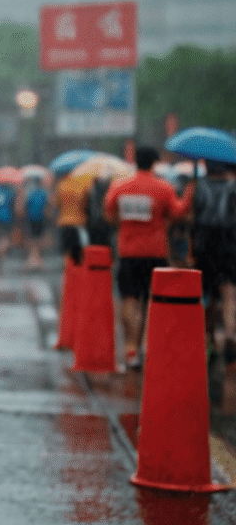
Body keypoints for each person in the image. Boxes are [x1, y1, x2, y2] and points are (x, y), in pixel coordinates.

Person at [104, 146, 194, 370]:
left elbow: (109, 214)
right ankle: (140, 347)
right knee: (146, 301)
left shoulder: (119, 186)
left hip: (128, 252)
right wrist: (190, 193)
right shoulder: (163, 188)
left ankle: (131, 349)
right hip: (155, 253)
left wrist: (125, 225)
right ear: (155, 163)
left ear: (135, 161)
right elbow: (178, 212)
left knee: (129, 298)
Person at [190, 160, 236, 367]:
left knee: (206, 294)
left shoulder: (198, 187)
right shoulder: (233, 187)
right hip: (229, 245)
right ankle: (230, 336)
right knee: (229, 293)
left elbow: (191, 217)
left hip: (204, 246)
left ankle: (207, 338)